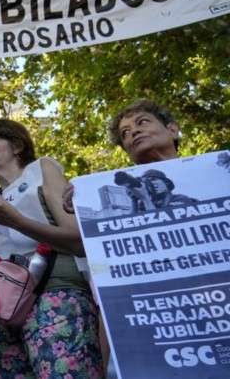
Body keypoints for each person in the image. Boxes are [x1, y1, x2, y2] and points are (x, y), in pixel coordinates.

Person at [62, 99, 187, 378]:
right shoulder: (123, 201)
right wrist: (80, 212)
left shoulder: (213, 179)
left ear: (174, 130)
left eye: (142, 122)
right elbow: (107, 279)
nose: (133, 133)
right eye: (125, 133)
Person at [0, 118, 103, 378]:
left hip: (54, 295)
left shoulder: (40, 170)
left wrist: (16, 221)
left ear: (16, 146)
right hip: (4, 313)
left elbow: (77, 239)